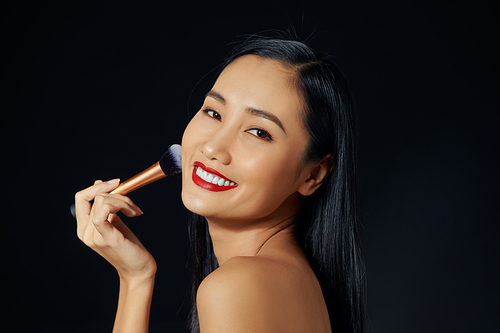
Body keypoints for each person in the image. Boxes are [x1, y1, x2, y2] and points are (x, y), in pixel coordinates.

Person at [74, 36, 366, 333]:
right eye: (213, 113)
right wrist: (135, 277)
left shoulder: (236, 286)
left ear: (312, 175)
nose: (213, 147)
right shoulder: (290, 278)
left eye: (258, 132)